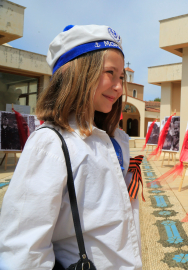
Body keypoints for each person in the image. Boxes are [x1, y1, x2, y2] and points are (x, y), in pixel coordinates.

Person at [0, 25, 142, 269]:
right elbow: (25, 248)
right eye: (110, 73)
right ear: (78, 73)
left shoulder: (115, 139)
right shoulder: (51, 144)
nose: (119, 87)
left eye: (121, 78)